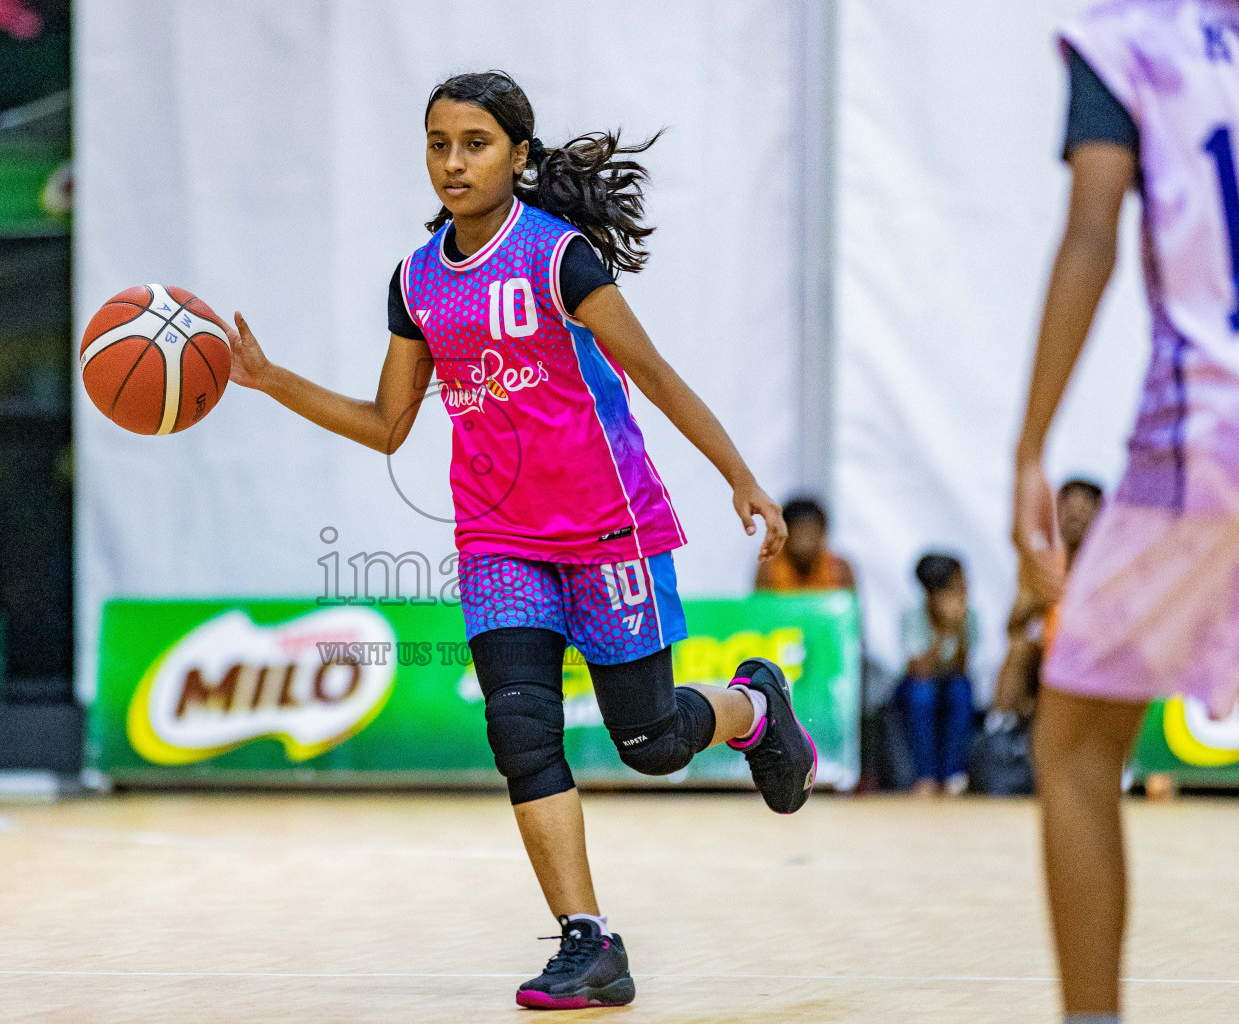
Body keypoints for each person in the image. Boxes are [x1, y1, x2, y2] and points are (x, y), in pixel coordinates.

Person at [211, 70, 816, 1011]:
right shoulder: (415, 281)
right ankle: (589, 939)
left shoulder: (559, 258)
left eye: (476, 143)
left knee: (652, 741)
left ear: (519, 156)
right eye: (438, 143)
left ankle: (752, 703)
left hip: (608, 527)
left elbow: (651, 373)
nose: (453, 162)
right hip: (500, 540)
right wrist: (267, 378)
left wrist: (739, 475)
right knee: (520, 733)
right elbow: (385, 424)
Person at [1015, 5, 1239, 1022]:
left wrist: (1029, 447)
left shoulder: (1127, 39)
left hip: (1208, 429)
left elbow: (1093, 232)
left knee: (1074, 743)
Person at [992, 479, 1103, 722]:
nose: (1075, 519)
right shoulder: (1043, 564)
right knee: (1019, 649)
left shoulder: (1109, 567)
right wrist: (1035, 602)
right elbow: (1012, 628)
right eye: (1068, 512)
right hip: (1047, 656)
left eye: (1084, 512)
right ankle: (1001, 727)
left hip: (1090, 655)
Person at [892, 553, 979, 797]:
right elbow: (919, 670)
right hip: (916, 685)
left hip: (949, 682)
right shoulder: (913, 617)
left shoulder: (967, 617)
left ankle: (953, 775)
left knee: (961, 692)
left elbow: (961, 667)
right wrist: (943, 630)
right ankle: (925, 776)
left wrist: (958, 628)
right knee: (921, 695)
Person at [754, 496, 856, 592]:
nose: (806, 543)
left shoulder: (839, 569)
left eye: (811, 534)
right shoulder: (769, 569)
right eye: (799, 535)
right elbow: (761, 608)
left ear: (823, 534)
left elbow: (850, 608)